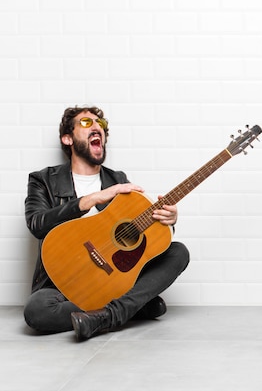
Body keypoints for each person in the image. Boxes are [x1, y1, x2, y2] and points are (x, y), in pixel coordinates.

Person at [23, 105, 190, 341]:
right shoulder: (43, 180)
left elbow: (141, 235)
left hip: (108, 281)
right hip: (59, 281)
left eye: (100, 125)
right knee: (37, 311)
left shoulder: (118, 179)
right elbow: (37, 223)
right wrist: (91, 199)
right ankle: (130, 306)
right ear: (67, 138)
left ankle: (106, 316)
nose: (96, 128)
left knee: (178, 251)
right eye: (85, 123)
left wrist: (168, 220)